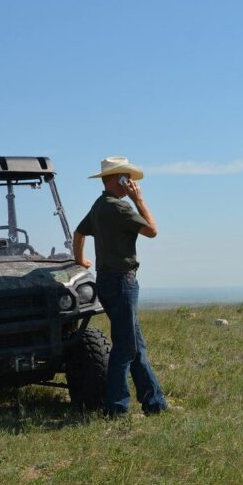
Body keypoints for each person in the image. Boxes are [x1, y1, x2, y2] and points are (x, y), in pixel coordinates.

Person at [73, 156, 170, 416]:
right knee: (126, 348)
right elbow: (152, 230)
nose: (130, 183)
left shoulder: (98, 206)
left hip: (105, 280)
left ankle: (155, 403)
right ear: (118, 180)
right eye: (126, 178)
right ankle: (115, 407)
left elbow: (78, 233)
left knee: (135, 345)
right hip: (122, 282)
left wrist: (80, 260)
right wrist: (138, 200)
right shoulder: (120, 208)